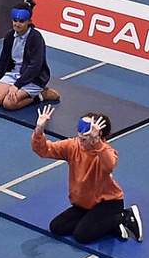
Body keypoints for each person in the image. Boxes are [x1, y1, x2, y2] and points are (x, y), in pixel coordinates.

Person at [31, 103, 143, 244]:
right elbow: (44, 150)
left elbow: (109, 166)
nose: (80, 142)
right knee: (57, 227)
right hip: (84, 204)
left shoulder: (105, 151)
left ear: (96, 136)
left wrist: (97, 143)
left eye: (84, 139)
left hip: (108, 203)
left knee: (82, 235)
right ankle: (110, 225)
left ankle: (123, 216)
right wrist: (39, 130)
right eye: (79, 138)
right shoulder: (73, 146)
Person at [0, 2, 59, 108]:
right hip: (13, 75)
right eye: (15, 20)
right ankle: (24, 93)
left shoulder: (36, 38)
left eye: (21, 21)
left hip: (33, 78)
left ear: (29, 21)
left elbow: (35, 66)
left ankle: (40, 95)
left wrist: (17, 85)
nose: (17, 24)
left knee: (9, 104)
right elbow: (3, 60)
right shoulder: (9, 36)